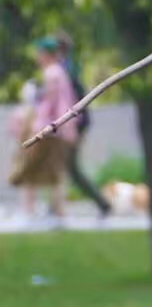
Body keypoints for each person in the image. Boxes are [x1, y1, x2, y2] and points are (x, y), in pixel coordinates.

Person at [7, 42, 79, 226]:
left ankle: (31, 211)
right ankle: (57, 212)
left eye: (40, 53)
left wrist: (35, 126)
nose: (38, 58)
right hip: (58, 129)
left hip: (50, 129)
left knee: (31, 167)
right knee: (54, 172)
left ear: (46, 54)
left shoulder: (52, 73)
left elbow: (50, 103)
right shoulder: (60, 73)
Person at [55, 32, 112, 219]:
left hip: (75, 123)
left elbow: (68, 100)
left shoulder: (66, 70)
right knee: (63, 164)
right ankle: (55, 206)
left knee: (70, 166)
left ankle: (103, 204)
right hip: (75, 122)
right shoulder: (68, 67)